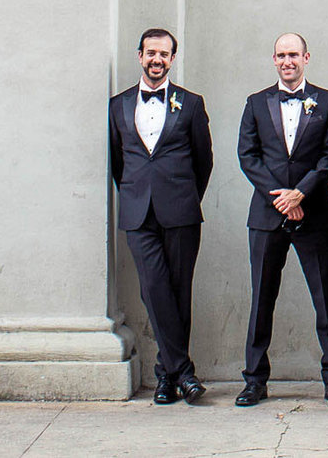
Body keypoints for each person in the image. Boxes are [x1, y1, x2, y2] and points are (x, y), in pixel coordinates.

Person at [235, 32, 328, 408]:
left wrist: (301, 192)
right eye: (281, 55)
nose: (288, 61)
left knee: (325, 299)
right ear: (274, 60)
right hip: (267, 217)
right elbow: (248, 156)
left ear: (306, 57)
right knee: (261, 300)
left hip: (314, 215)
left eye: (294, 55)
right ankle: (254, 380)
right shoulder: (255, 103)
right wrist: (283, 199)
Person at [109, 27, 213, 405]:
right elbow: (118, 164)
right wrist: (139, 195)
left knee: (178, 294)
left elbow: (204, 161)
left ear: (172, 58)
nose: (157, 60)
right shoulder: (117, 105)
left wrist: (184, 197)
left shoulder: (191, 103)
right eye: (150, 53)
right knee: (154, 290)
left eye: (164, 54)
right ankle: (184, 372)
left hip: (181, 211)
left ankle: (165, 378)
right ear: (140, 56)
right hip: (138, 214)